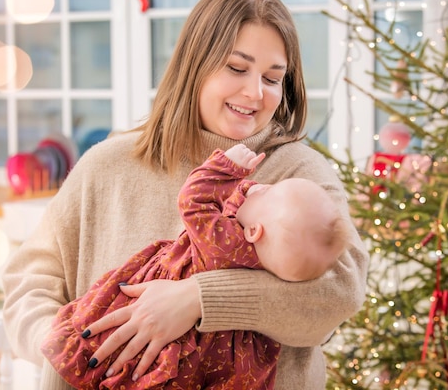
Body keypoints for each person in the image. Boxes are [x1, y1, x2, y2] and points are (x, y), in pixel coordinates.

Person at [2, 0, 369, 390]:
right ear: (195, 64)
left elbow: (341, 290)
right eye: (236, 67)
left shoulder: (297, 173)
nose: (255, 92)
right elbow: (29, 282)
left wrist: (199, 298)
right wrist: (63, 347)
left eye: (272, 78)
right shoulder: (108, 165)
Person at [40, 143, 350, 389]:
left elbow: (195, 200)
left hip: (147, 349)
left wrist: (225, 168)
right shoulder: (269, 258)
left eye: (269, 191)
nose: (260, 186)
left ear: (255, 231)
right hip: (224, 362)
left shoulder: (226, 240)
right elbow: (34, 274)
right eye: (238, 69)